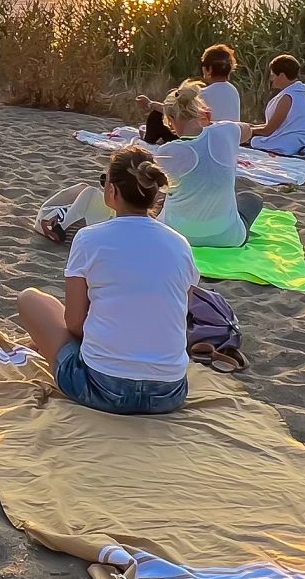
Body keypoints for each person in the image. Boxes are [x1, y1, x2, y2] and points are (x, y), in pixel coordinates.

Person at [15, 148, 194, 416]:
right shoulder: (180, 245)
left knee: (30, 299)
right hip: (168, 393)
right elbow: (182, 312)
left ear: (113, 191)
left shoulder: (89, 239)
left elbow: (75, 324)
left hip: (102, 387)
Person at [45, 81, 261, 248]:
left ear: (171, 121)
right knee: (252, 199)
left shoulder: (167, 152)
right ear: (200, 113)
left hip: (177, 234)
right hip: (227, 238)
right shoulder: (227, 131)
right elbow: (248, 130)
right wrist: (214, 125)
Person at [142, 44, 240, 143]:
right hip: (229, 140)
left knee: (156, 116)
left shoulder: (202, 94)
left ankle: (148, 139)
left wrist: (150, 104)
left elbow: (174, 110)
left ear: (209, 69)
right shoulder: (233, 91)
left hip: (205, 141)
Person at [247, 53, 305, 157]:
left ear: (282, 75)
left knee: (239, 139)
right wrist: (247, 127)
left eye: (273, 75)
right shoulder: (298, 93)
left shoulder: (288, 97)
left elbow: (267, 131)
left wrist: (243, 131)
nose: (271, 79)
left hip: (288, 146)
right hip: (294, 143)